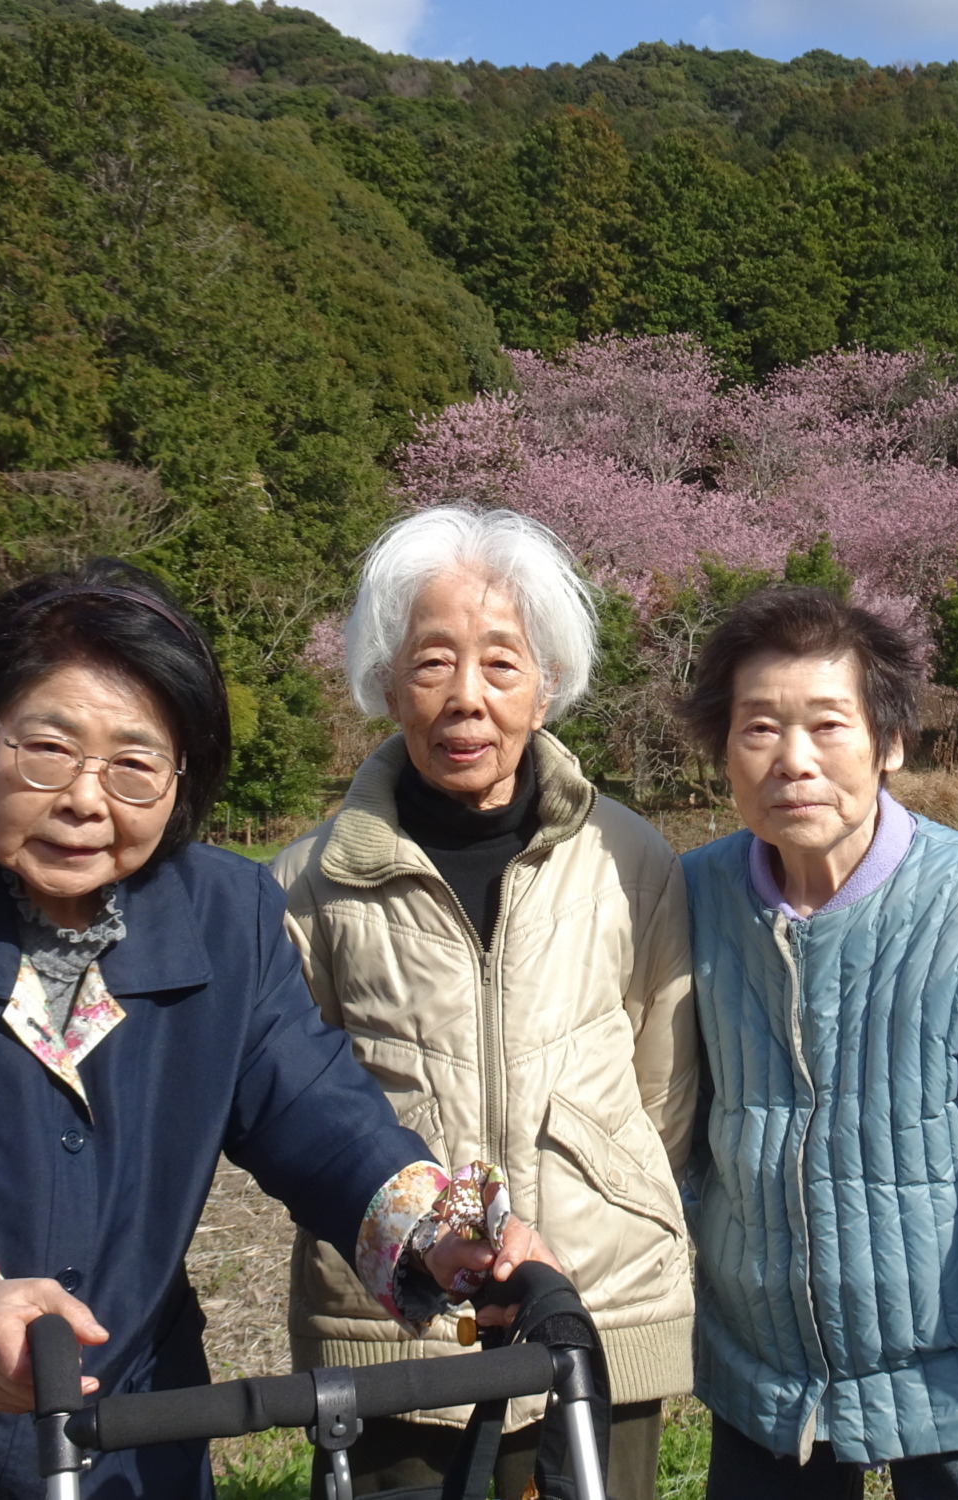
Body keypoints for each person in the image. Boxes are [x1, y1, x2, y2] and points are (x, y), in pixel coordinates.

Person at [0, 560, 551, 1497]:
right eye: (48, 749)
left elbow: (309, 1101)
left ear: (181, 781)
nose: (86, 799)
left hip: (119, 1420)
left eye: (135, 765)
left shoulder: (224, 910)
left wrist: (442, 1228)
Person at [675, 587, 958, 1500]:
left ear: (889, 743)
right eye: (760, 728)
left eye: (828, 726)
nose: (793, 762)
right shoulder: (690, 897)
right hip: (766, 1390)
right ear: (723, 752)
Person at [273, 507, 696, 1499]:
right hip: (400, 1319)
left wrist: (597, 1186)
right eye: (431, 664)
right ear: (385, 682)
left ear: (547, 688)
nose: (466, 698)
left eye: (501, 665)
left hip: (592, 1301)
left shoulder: (628, 859)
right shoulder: (310, 881)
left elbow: (661, 1088)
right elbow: (290, 1104)